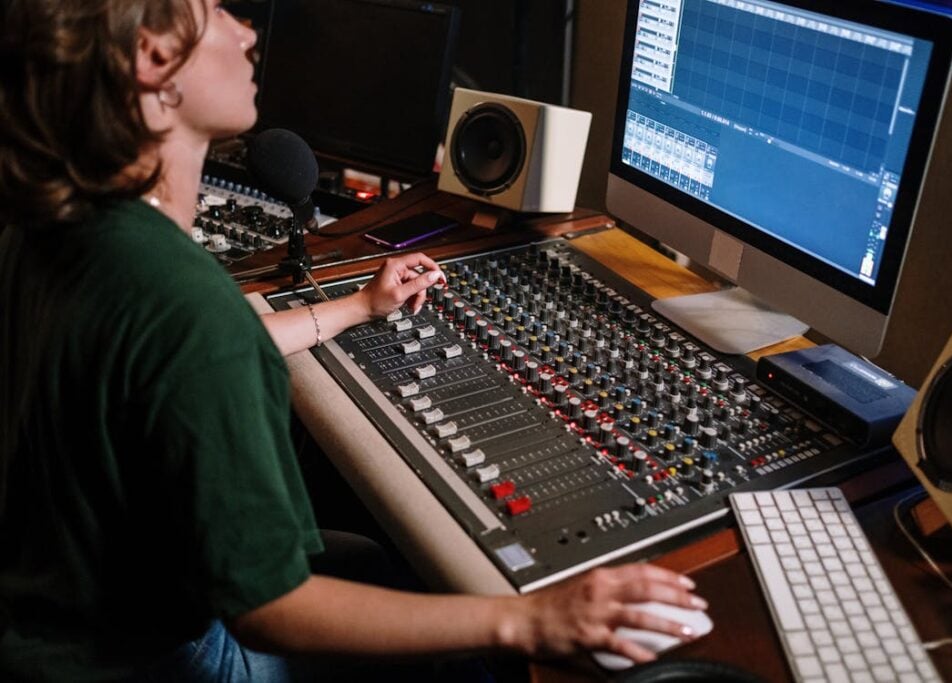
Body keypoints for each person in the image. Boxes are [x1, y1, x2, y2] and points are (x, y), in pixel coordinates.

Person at [0, 1, 709, 680]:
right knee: (467, 653)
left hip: (47, 623)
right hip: (157, 661)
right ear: (154, 61)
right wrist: (528, 620)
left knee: (371, 558)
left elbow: (160, 355)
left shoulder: (56, 229)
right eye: (217, 10)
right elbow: (270, 610)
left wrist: (357, 306)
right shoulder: (189, 309)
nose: (247, 34)